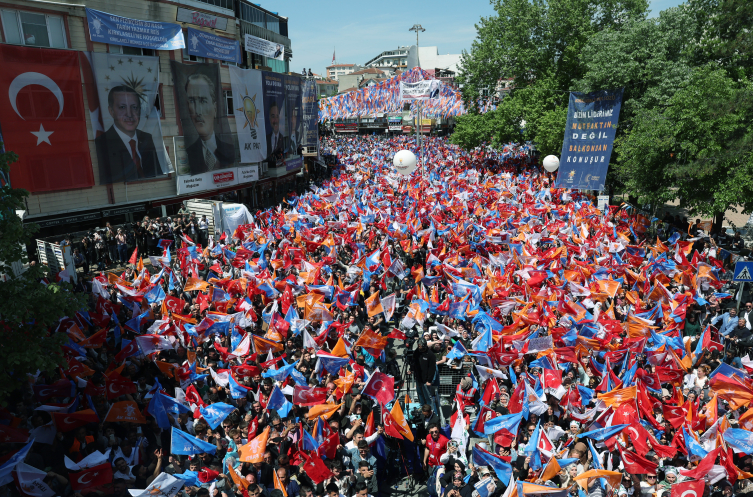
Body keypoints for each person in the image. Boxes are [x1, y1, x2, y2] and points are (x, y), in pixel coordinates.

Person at [95, 85, 162, 183]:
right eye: (122, 107)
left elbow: (156, 173)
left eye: (134, 107)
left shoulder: (147, 138)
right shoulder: (102, 143)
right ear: (111, 111)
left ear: (139, 110)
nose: (129, 114)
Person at [184, 73, 234, 174]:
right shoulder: (187, 153)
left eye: (203, 101)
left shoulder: (230, 149)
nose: (198, 111)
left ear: (215, 108)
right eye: (192, 101)